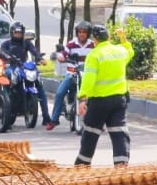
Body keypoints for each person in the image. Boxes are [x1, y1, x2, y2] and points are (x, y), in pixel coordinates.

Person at [73, 23, 133, 167]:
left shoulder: (94, 55)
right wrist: (123, 39)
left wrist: (82, 99)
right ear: (108, 37)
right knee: (119, 132)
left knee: (91, 133)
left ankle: (82, 165)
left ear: (94, 40)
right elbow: (130, 52)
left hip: (99, 102)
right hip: (119, 101)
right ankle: (121, 164)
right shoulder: (120, 51)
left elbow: (88, 80)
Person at [0, 21, 52, 127]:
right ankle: (6, 111)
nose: (18, 34)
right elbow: (2, 53)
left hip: (24, 66)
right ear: (12, 32)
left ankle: (46, 116)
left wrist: (39, 58)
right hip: (11, 67)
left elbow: (34, 51)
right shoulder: (6, 44)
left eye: (20, 32)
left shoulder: (26, 43)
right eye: (16, 32)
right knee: (8, 83)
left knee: (39, 85)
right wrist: (6, 57)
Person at [47, 21, 95, 130]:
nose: (82, 34)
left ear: (88, 33)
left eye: (84, 32)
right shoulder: (71, 44)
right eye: (80, 32)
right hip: (72, 73)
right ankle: (54, 120)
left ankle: (97, 122)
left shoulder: (93, 45)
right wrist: (60, 56)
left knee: (95, 96)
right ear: (77, 33)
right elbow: (63, 53)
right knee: (59, 93)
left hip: (87, 75)